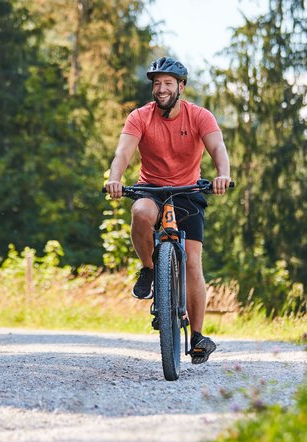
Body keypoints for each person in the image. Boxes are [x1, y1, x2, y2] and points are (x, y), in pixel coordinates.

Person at [104, 56, 232, 364]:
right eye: (157, 83)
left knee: (193, 263)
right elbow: (123, 152)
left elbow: (217, 149)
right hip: (152, 188)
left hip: (188, 191)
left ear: (181, 87)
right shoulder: (140, 117)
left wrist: (222, 174)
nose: (161, 89)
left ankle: (198, 336)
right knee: (141, 214)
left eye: (168, 84)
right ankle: (150, 268)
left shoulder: (199, 116)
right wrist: (114, 179)